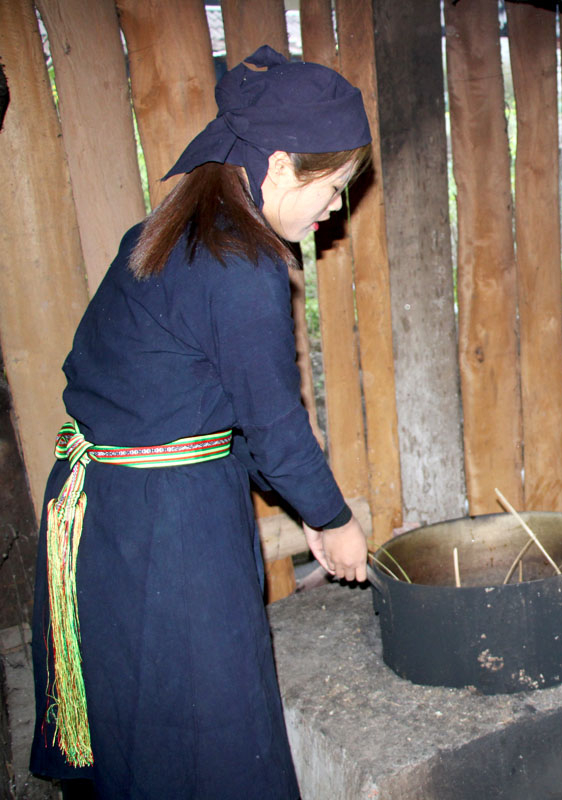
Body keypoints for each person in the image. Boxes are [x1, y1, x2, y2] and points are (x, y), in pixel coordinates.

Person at [31, 46, 371, 799]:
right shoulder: (239, 263)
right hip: (168, 534)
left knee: (152, 728)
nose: (336, 208)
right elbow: (276, 425)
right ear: (281, 164)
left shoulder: (169, 231)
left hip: (115, 516)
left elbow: (203, 401)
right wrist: (336, 521)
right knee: (208, 736)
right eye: (336, 186)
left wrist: (302, 512)